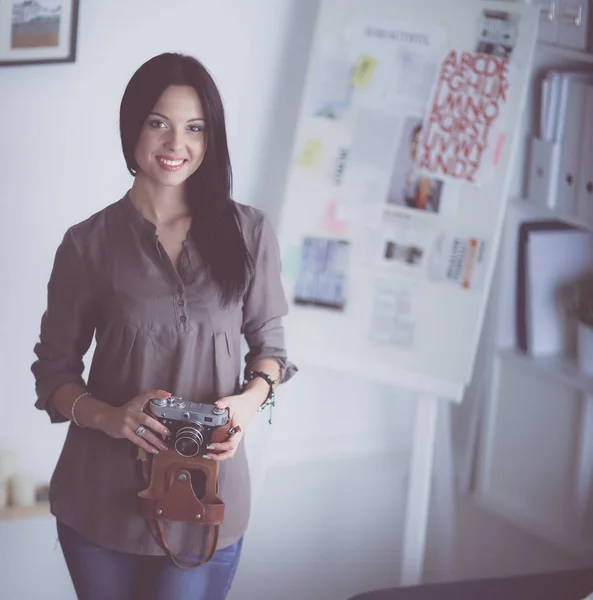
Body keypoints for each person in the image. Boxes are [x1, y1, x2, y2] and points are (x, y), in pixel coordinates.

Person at [31, 52, 297, 600]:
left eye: (195, 128)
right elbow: (53, 375)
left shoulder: (249, 232)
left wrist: (247, 404)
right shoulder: (87, 245)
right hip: (100, 504)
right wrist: (111, 418)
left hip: (208, 501)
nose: (177, 144)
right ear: (133, 128)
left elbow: (271, 348)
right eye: (160, 123)